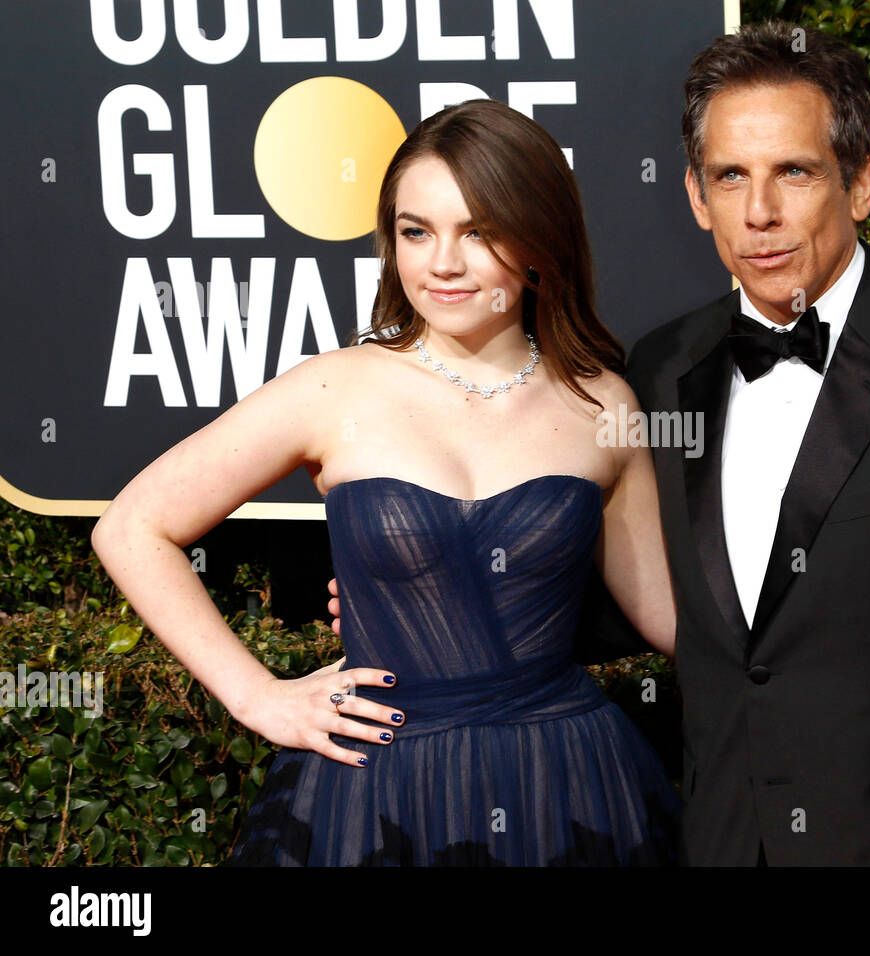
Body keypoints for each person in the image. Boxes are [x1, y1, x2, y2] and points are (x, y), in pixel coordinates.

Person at [331, 22, 870, 866]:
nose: (759, 213)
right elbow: (643, 604)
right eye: (730, 176)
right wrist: (438, 591)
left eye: (794, 172)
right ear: (697, 197)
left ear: (861, 184)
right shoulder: (661, 368)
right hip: (720, 841)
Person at [91, 98, 681, 866]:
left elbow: (669, 618)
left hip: (568, 780)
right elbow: (133, 527)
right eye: (416, 231)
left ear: (541, 234)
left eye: (479, 231)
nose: (443, 263)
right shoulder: (333, 388)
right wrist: (256, 696)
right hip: (377, 787)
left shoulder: (603, 404)